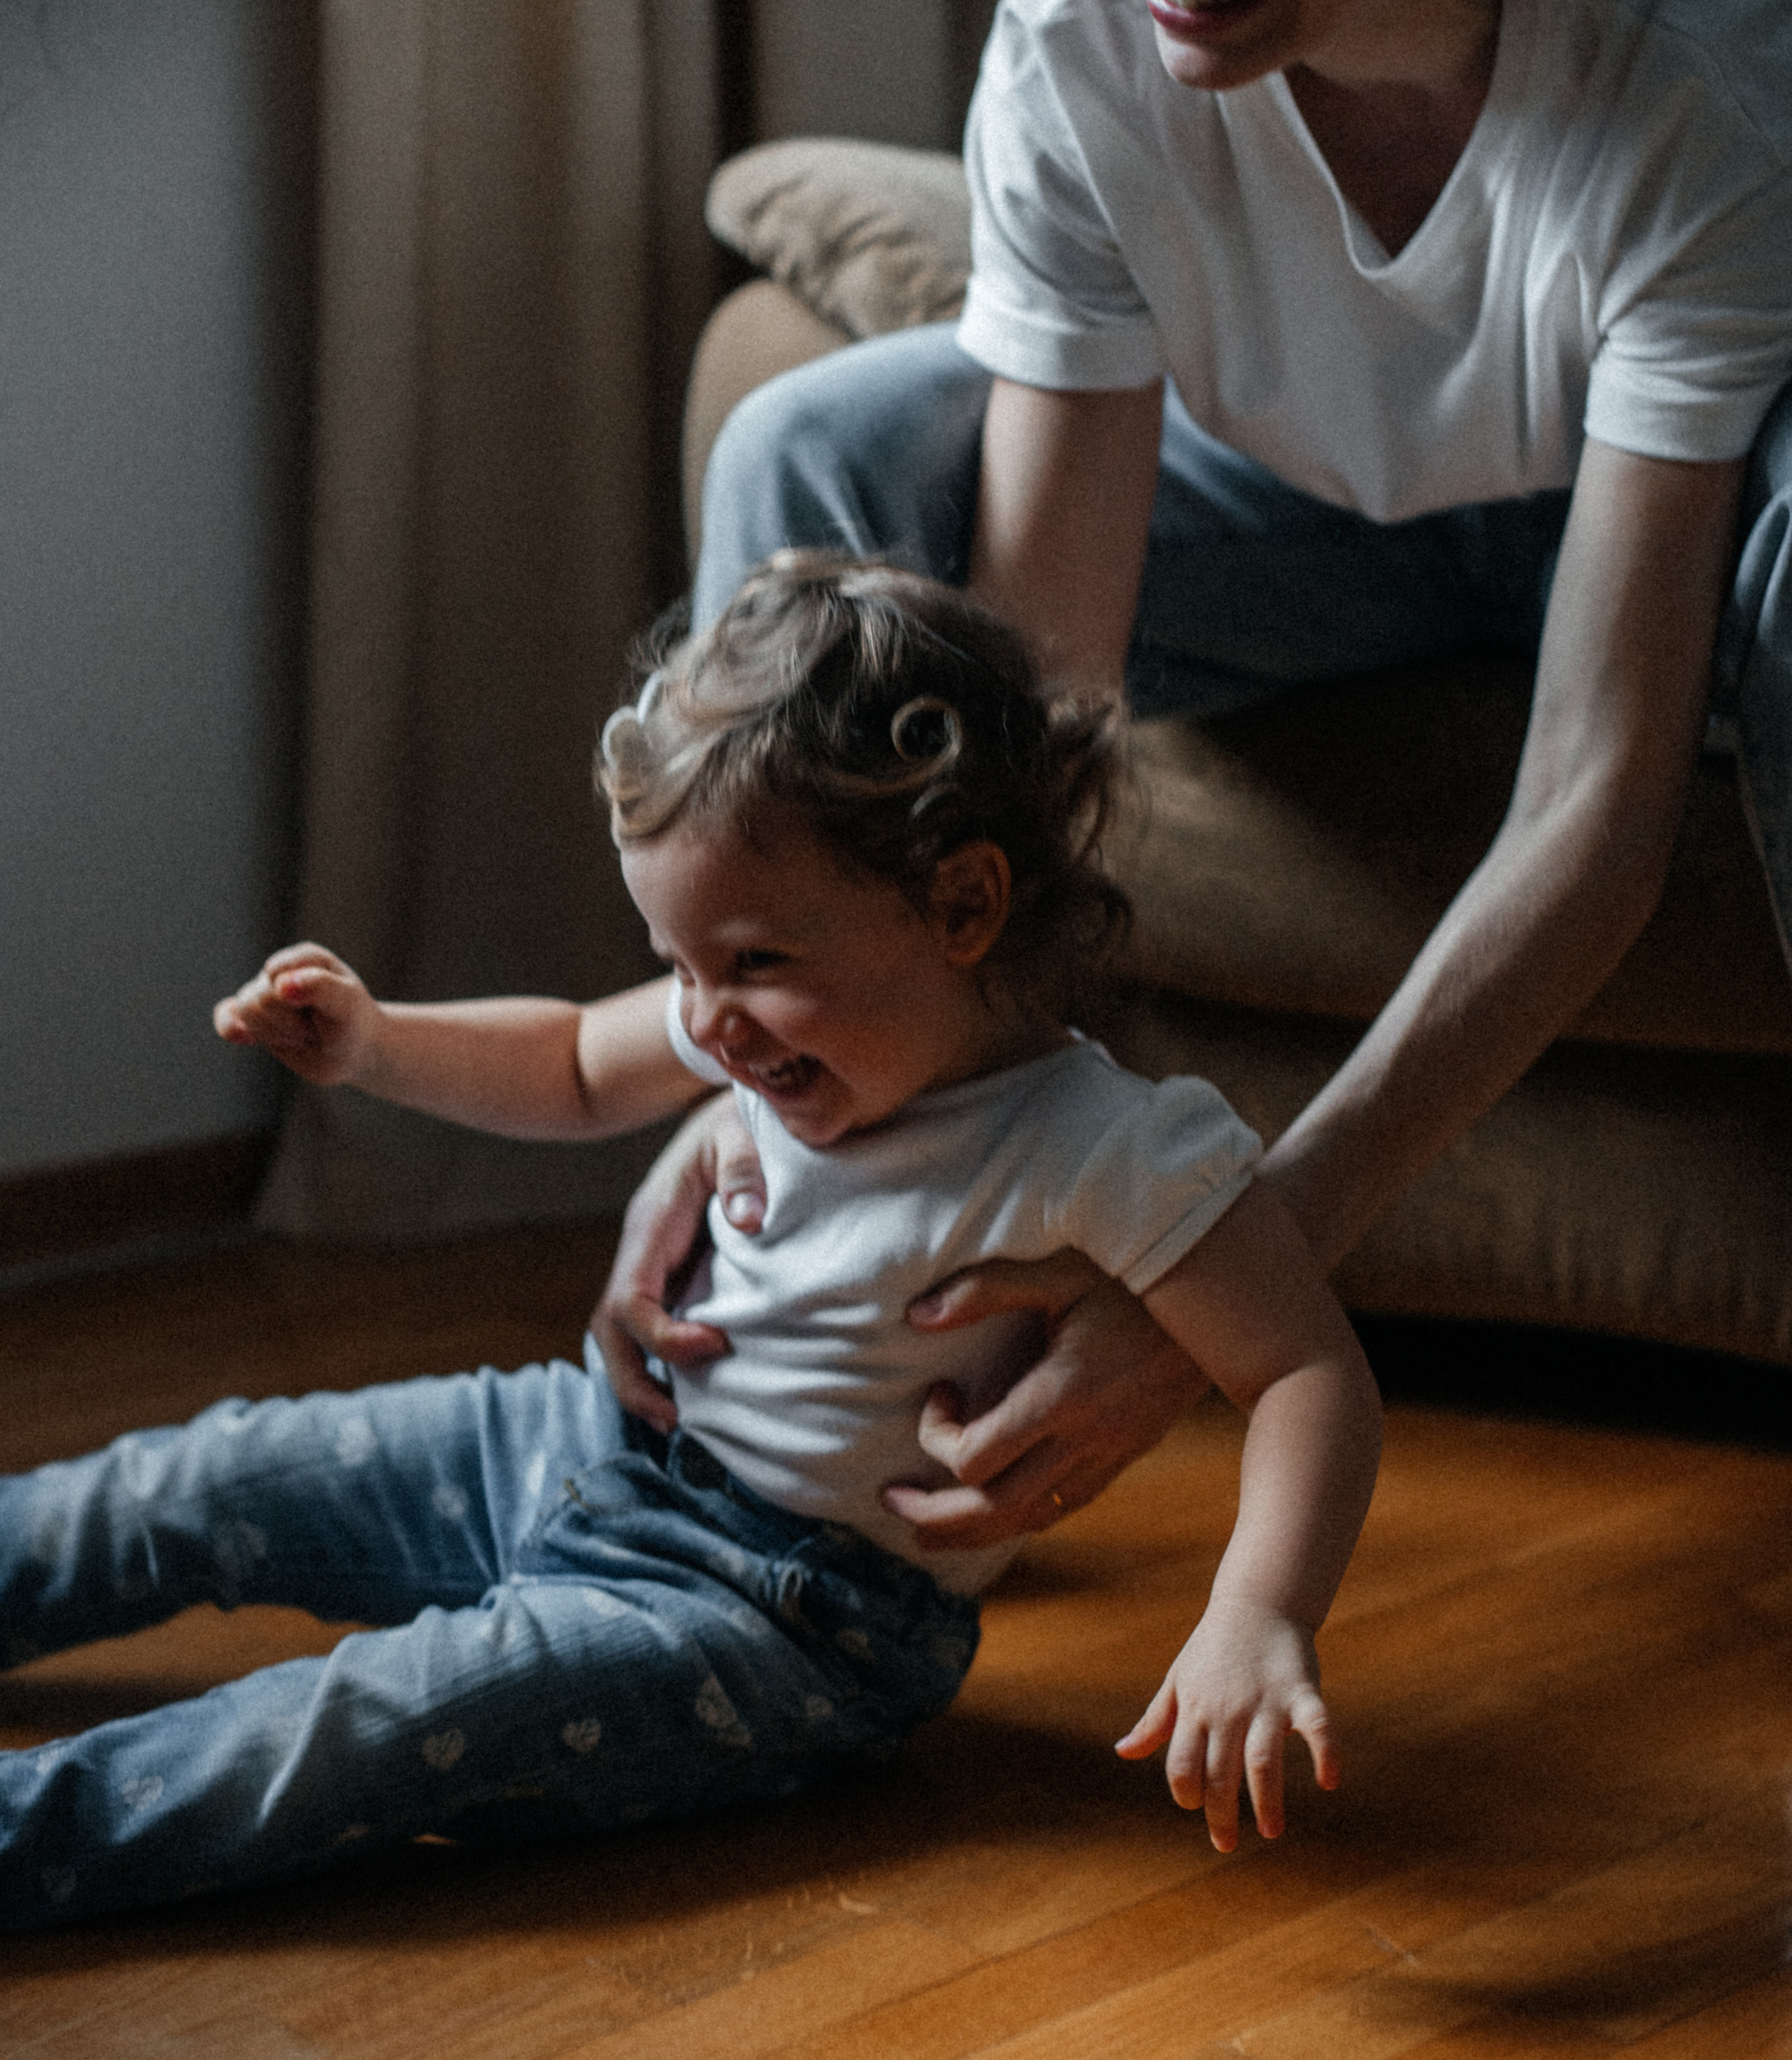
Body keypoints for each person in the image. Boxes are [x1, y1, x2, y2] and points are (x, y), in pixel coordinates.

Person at [601, 0, 1792, 1560]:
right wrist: (758, 1086)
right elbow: (1025, 724)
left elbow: (1591, 796)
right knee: (810, 442)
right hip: (1297, 531)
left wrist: (1212, 1274)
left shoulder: (1694, 41)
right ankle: (833, 1268)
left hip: (1684, 515)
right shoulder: (1081, 46)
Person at [0, 555, 1380, 1929]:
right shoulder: (765, 1014)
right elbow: (570, 1063)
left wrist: (1258, 1613)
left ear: (962, 906)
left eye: (754, 966)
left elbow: (1304, 1375)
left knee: (363, 1722)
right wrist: (374, 1042)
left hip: (775, 1625)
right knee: (202, 1477)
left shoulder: (1106, 1144)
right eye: (677, 966)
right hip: (580, 1439)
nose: (705, 1020)